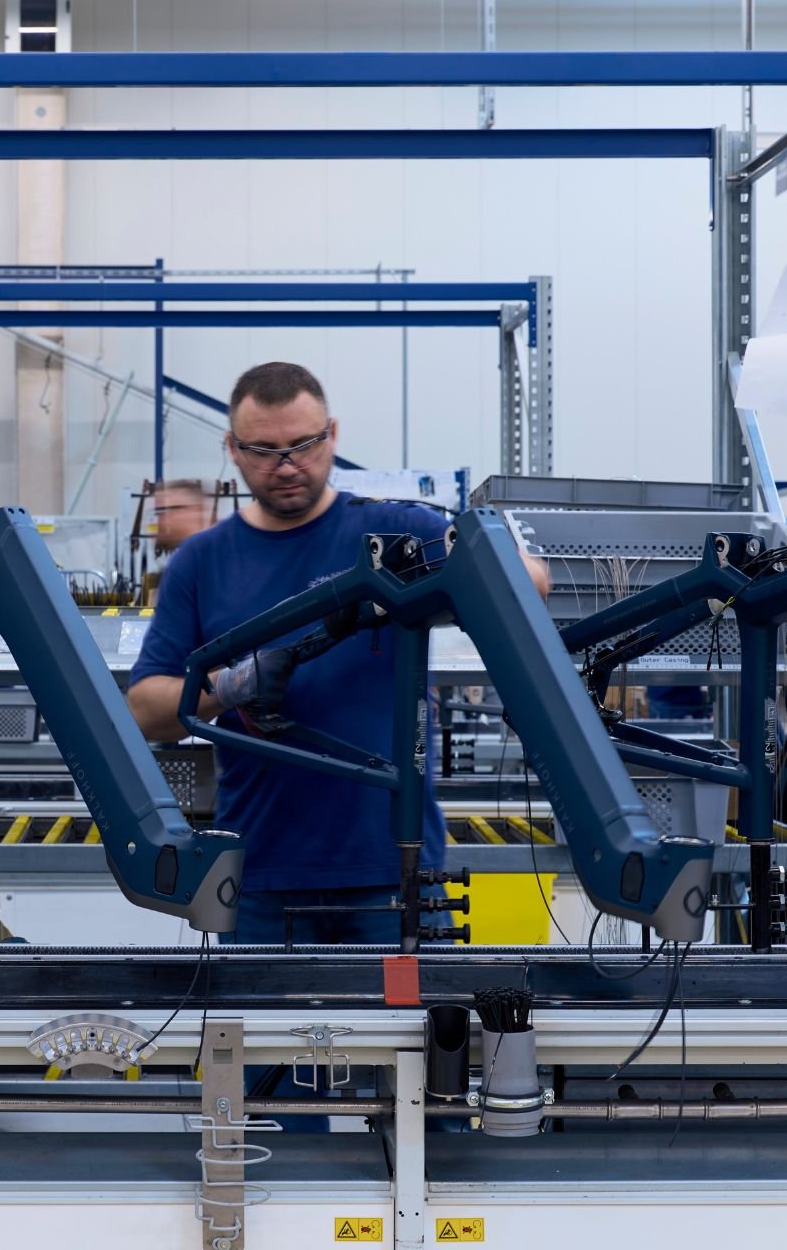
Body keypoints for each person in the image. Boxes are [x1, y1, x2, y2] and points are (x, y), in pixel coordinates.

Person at [126, 362, 549, 946]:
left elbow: (531, 584)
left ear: (333, 434)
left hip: (394, 869)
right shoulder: (201, 562)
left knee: (416, 1011)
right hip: (258, 878)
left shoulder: (392, 531)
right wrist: (228, 686)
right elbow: (145, 710)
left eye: (304, 444)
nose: (287, 465)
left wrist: (480, 561)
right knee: (257, 1013)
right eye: (264, 450)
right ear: (232, 448)